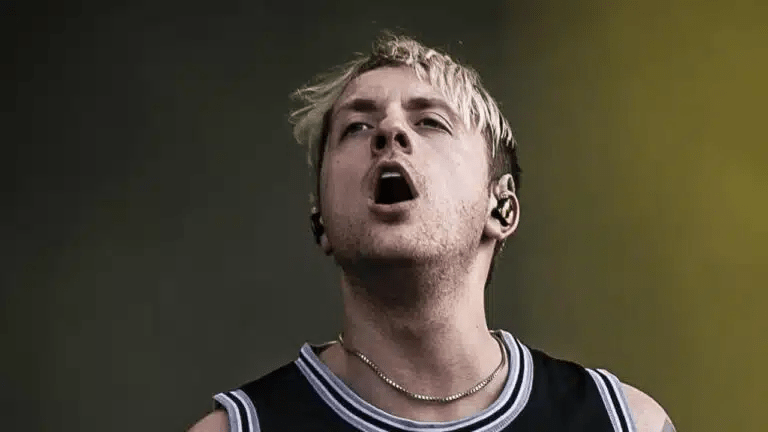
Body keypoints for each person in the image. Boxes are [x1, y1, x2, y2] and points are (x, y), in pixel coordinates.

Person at [189, 34, 674, 432]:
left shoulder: (626, 423)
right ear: (321, 222)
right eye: (356, 127)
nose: (390, 131)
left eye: (430, 121)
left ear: (501, 206)